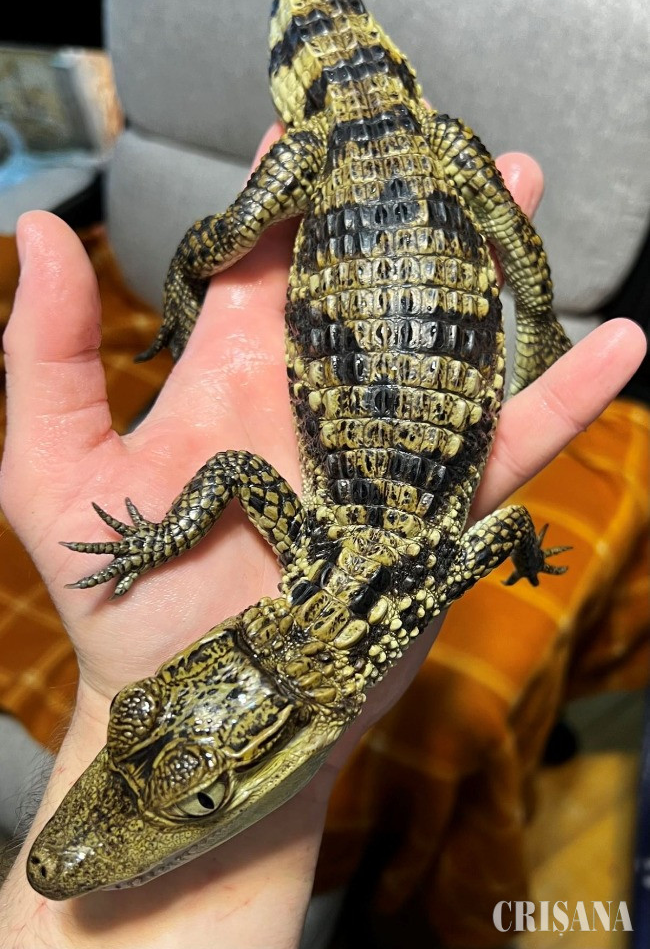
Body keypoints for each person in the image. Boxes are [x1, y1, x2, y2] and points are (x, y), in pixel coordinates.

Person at [0, 124, 645, 949]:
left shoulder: (394, 571)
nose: (66, 855)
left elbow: (509, 525)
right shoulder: (349, 562)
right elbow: (507, 523)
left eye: (138, 707)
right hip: (399, 290)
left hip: (381, 283)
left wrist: (521, 554)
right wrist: (526, 556)